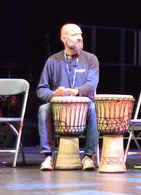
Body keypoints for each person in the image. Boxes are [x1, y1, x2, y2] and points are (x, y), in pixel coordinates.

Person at [37, 23, 100, 171]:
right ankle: (48, 157)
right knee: (43, 109)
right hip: (58, 107)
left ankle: (89, 157)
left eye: (80, 35)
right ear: (63, 39)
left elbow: (92, 85)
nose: (79, 37)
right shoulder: (52, 61)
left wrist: (75, 92)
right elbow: (41, 90)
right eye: (74, 35)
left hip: (83, 107)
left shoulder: (91, 59)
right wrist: (54, 94)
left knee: (93, 107)